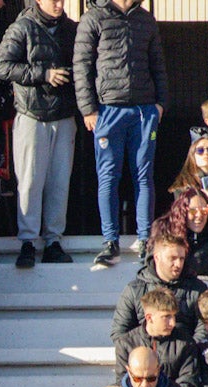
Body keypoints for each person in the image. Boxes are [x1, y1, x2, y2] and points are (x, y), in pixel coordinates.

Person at [73, 0, 167, 267]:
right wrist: (88, 109)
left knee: (143, 175)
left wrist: (161, 104)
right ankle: (110, 241)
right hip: (107, 110)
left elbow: (158, 63)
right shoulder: (93, 17)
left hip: (144, 111)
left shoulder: (146, 19)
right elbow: (81, 66)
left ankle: (145, 241)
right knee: (108, 177)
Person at [0, 0, 77, 267]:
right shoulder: (21, 28)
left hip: (64, 114)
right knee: (29, 180)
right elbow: (2, 68)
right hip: (31, 114)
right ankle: (27, 241)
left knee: (59, 180)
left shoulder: (72, 29)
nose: (59, 4)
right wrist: (44, 74)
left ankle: (54, 240)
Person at [111, 231, 208, 340]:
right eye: (172, 258)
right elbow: (119, 334)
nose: (178, 264)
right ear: (157, 258)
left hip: (186, 353)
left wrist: (187, 351)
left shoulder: (198, 289)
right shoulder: (134, 290)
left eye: (181, 258)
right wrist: (146, 354)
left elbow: (205, 327)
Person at [113, 288, 205, 387]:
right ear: (149, 317)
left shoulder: (185, 343)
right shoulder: (126, 343)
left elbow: (188, 383)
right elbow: (123, 383)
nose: (173, 323)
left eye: (174, 316)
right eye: (166, 317)